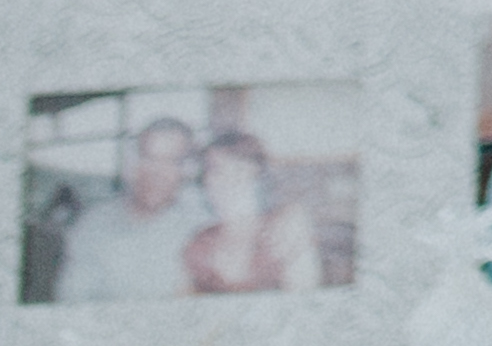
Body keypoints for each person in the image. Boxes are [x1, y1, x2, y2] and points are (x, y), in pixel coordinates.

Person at [48, 111, 197, 301]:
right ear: (131, 164)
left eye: (171, 162)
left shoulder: (200, 229)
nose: (157, 173)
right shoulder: (93, 224)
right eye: (148, 158)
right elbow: (71, 299)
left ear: (185, 171)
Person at [177, 129, 316, 293]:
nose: (227, 181)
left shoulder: (285, 227)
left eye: (238, 170)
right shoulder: (200, 242)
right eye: (216, 169)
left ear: (259, 177)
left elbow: (306, 300)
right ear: (204, 181)